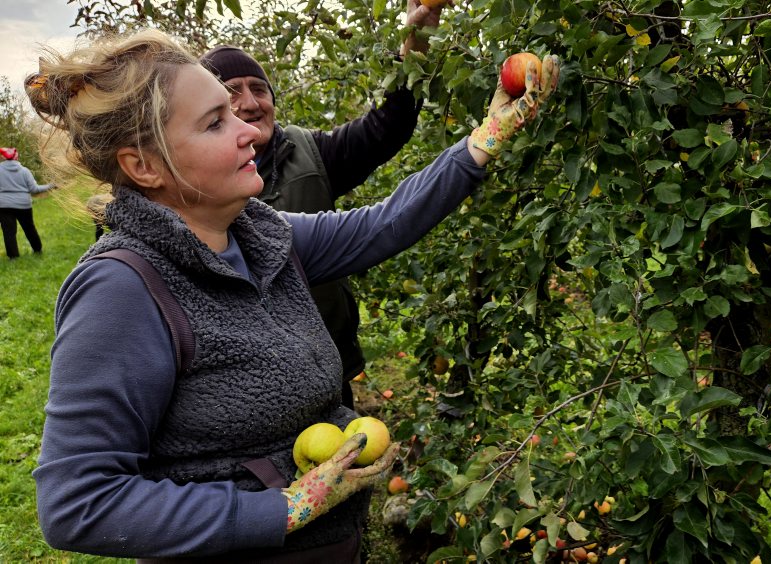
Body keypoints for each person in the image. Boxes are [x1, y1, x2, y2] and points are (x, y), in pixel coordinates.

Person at [27, 28, 557, 560]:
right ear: (143, 166)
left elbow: (383, 224)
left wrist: (488, 134)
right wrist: (281, 509)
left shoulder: (262, 237)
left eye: (235, 114)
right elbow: (78, 502)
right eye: (215, 122)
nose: (249, 133)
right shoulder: (123, 290)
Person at [199, 0, 446, 410]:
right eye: (230, 92)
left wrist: (415, 41)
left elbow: (388, 127)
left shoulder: (311, 153)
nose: (250, 102)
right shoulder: (185, 180)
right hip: (232, 392)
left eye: (259, 89)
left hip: (324, 368)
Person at [0, 147, 54, 258]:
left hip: (4, 205)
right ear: (16, 157)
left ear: (3, 157)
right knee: (29, 228)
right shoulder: (25, 171)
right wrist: (51, 186)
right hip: (23, 205)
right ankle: (37, 250)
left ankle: (13, 257)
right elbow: (34, 190)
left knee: (8, 232)